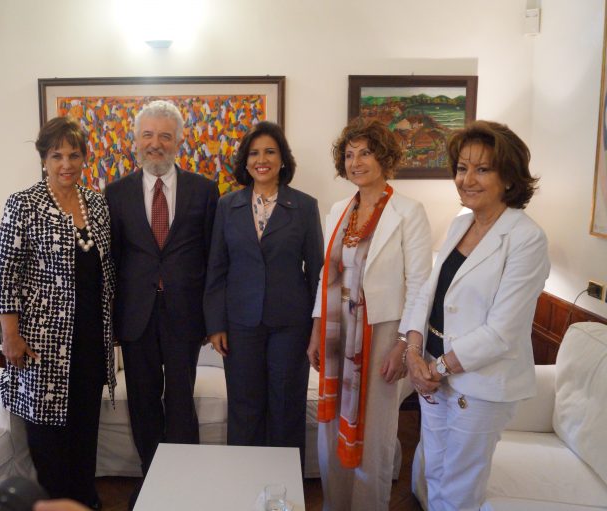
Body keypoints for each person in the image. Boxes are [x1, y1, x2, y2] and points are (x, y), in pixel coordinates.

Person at [405, 120, 550, 511]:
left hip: (480, 384)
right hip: (433, 372)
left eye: (482, 169)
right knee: (432, 471)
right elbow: (429, 291)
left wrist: (437, 368)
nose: (467, 179)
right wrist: (413, 351)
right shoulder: (460, 223)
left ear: (509, 177)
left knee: (460, 487)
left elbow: (503, 331)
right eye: (462, 167)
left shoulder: (526, 238)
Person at [306, 118, 432, 510]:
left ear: (384, 156)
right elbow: (327, 274)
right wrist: (315, 329)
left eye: (365, 152)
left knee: (374, 434)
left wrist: (403, 345)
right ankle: (334, 504)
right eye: (349, 154)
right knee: (330, 431)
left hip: (382, 333)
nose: (356, 161)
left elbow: (420, 283)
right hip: (335, 332)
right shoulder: (339, 209)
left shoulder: (408, 212)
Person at [0, 116, 116, 510]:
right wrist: (10, 335)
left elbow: (105, 269)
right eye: (57, 155)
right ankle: (54, 505)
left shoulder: (95, 203)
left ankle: (85, 501)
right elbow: (6, 273)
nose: (67, 163)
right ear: (43, 158)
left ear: (84, 158)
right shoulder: (23, 203)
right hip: (42, 345)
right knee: (47, 438)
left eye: (74, 154)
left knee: (84, 432)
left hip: (90, 341)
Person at [104, 100, 219, 480]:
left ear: (179, 142)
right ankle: (154, 477)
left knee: (182, 400)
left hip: (185, 313)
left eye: (165, 136)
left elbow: (212, 257)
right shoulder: (115, 193)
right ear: (136, 140)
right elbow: (114, 259)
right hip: (136, 315)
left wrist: (212, 316)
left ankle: (185, 478)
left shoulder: (204, 190)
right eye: (148, 135)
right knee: (142, 400)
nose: (156, 143)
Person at [204, 121, 324, 468]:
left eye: (270, 151)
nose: (262, 159)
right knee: (244, 406)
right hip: (240, 323)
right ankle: (244, 484)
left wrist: (317, 328)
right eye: (255, 153)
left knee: (286, 406)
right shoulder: (228, 205)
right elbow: (217, 268)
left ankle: (285, 491)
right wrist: (215, 325)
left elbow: (317, 271)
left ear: (282, 159)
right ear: (245, 161)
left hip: (290, 323)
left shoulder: (303, 206)